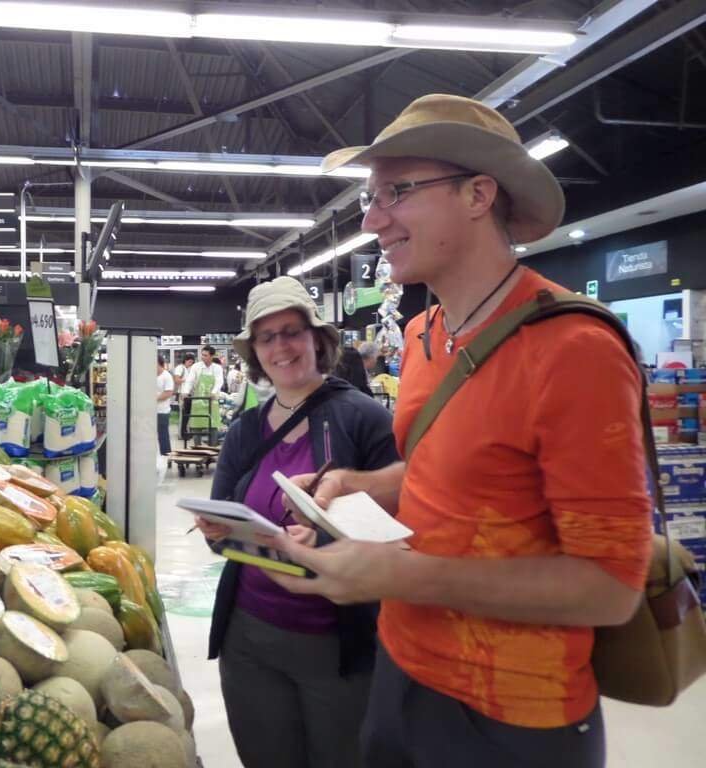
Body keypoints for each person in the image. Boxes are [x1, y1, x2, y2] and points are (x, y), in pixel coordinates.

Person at [263, 94, 652, 768]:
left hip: (514, 714)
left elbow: (611, 586)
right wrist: (360, 485)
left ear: (478, 194)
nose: (374, 219)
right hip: (402, 670)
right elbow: (447, 473)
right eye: (371, 197)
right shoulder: (424, 334)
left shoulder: (574, 349)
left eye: (397, 192)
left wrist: (405, 576)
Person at [192, 277, 399, 768]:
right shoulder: (245, 431)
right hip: (249, 641)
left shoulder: (364, 419)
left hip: (338, 644)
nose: (281, 346)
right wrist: (220, 532)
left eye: (292, 331)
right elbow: (223, 524)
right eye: (267, 337)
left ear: (316, 339)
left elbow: (402, 518)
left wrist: (326, 535)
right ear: (256, 353)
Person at [188, 345, 225, 445]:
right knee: (197, 425)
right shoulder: (196, 367)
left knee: (213, 425)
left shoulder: (217, 368)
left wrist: (213, 392)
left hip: (212, 400)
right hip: (198, 400)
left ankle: (212, 447)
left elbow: (219, 381)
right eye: (202, 355)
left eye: (205, 355)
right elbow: (190, 380)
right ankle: (197, 448)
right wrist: (185, 392)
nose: (203, 357)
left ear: (212, 356)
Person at [156, 356, 174, 456]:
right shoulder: (149, 375)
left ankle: (166, 456)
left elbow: (168, 393)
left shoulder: (166, 376)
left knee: (163, 435)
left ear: (159, 364)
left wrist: (153, 399)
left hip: (162, 411)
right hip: (149, 411)